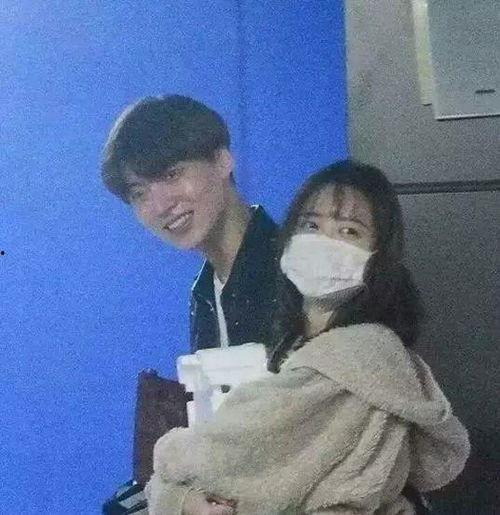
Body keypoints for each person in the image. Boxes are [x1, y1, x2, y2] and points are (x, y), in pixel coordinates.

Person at [146, 161, 470, 514]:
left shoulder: (351, 359)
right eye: (311, 225)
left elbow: (227, 458)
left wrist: (167, 484)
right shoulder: (296, 343)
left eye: (349, 231)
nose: (323, 242)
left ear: (378, 258)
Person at [101, 95, 281, 514]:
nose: (160, 205)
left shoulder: (297, 270)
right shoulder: (204, 292)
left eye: (172, 174)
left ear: (222, 161)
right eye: (139, 193)